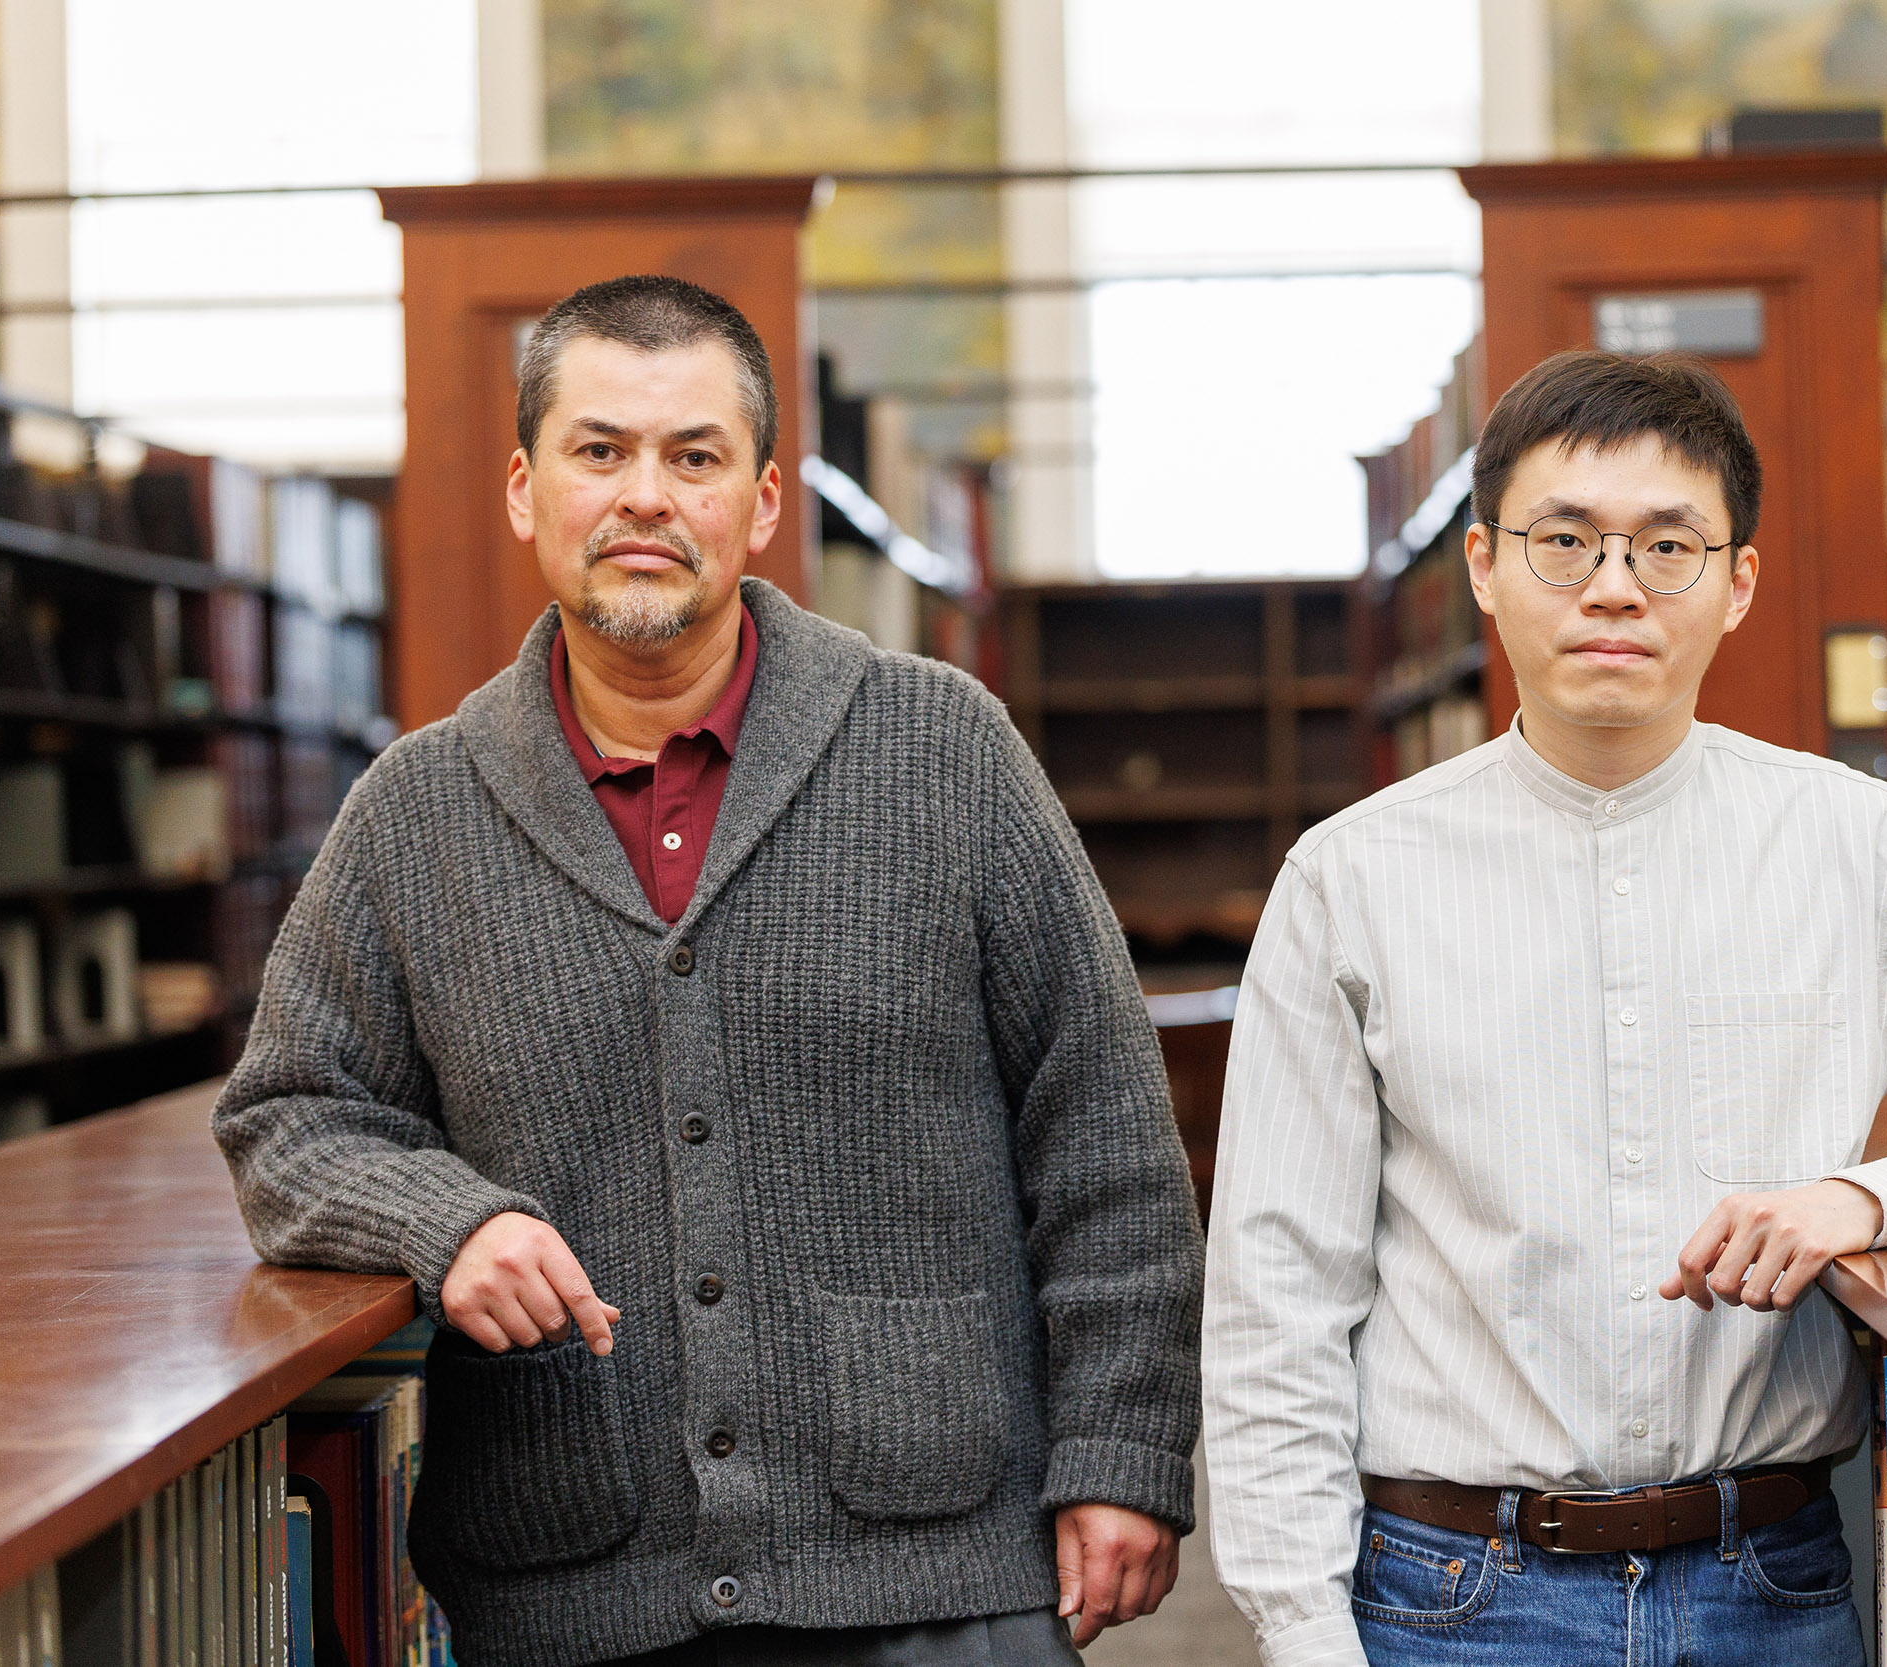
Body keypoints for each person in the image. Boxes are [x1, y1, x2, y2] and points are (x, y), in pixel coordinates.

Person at [214, 275, 1203, 1667]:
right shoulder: (413, 812)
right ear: (523, 489)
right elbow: (289, 1116)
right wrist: (449, 1221)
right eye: (600, 451)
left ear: (763, 500)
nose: (645, 498)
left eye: (694, 457)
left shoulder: (944, 749)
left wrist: (1121, 1449)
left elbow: (1101, 1131)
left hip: (938, 1577)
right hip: (576, 1593)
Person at [1201, 349, 1887, 1667]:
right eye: (1564, 541)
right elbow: (1278, 1296)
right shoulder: (1350, 882)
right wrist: (1303, 1632)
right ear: (1484, 566)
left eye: (1668, 546)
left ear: (1737, 585)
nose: (1613, 586)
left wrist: (1864, 1201)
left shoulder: (1871, 850)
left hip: (1771, 1586)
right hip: (1451, 1601)